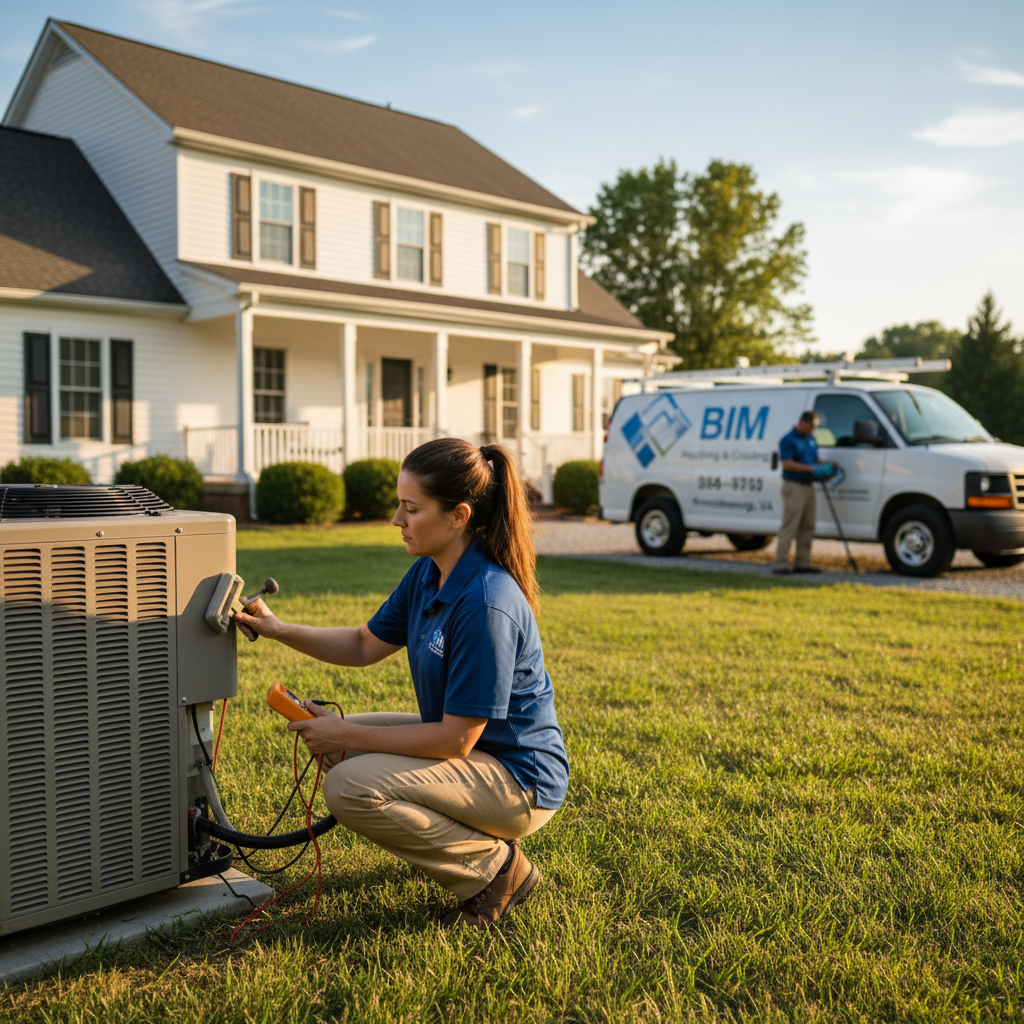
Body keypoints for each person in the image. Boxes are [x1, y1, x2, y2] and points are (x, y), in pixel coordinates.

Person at [235, 438, 568, 928]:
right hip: (476, 756)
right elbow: (363, 645)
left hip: (520, 780)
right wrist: (277, 628)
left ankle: (496, 871)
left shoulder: (485, 602)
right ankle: (470, 842)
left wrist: (346, 734)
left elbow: (456, 740)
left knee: (349, 783)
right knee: (343, 753)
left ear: (458, 515)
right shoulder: (427, 576)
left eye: (411, 509)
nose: (397, 520)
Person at [773, 411, 835, 574]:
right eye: (811, 426)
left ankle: (802, 562)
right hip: (794, 486)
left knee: (808, 526)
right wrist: (810, 469)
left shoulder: (811, 439)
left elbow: (814, 459)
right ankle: (781, 562)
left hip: (809, 486)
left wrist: (827, 465)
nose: (813, 430)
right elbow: (787, 464)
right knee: (790, 525)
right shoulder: (788, 440)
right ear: (803, 422)